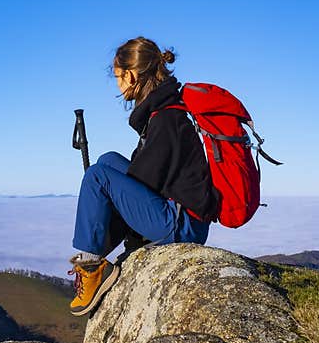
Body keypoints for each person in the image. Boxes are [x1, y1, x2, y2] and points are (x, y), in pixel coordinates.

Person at [68, 36, 219, 316]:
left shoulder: (165, 120)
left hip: (181, 226)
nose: (117, 84)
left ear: (132, 75)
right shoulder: (163, 113)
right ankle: (96, 254)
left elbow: (145, 181)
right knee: (108, 161)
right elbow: (148, 177)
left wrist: (108, 207)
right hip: (179, 214)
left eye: (118, 77)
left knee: (97, 176)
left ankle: (91, 267)